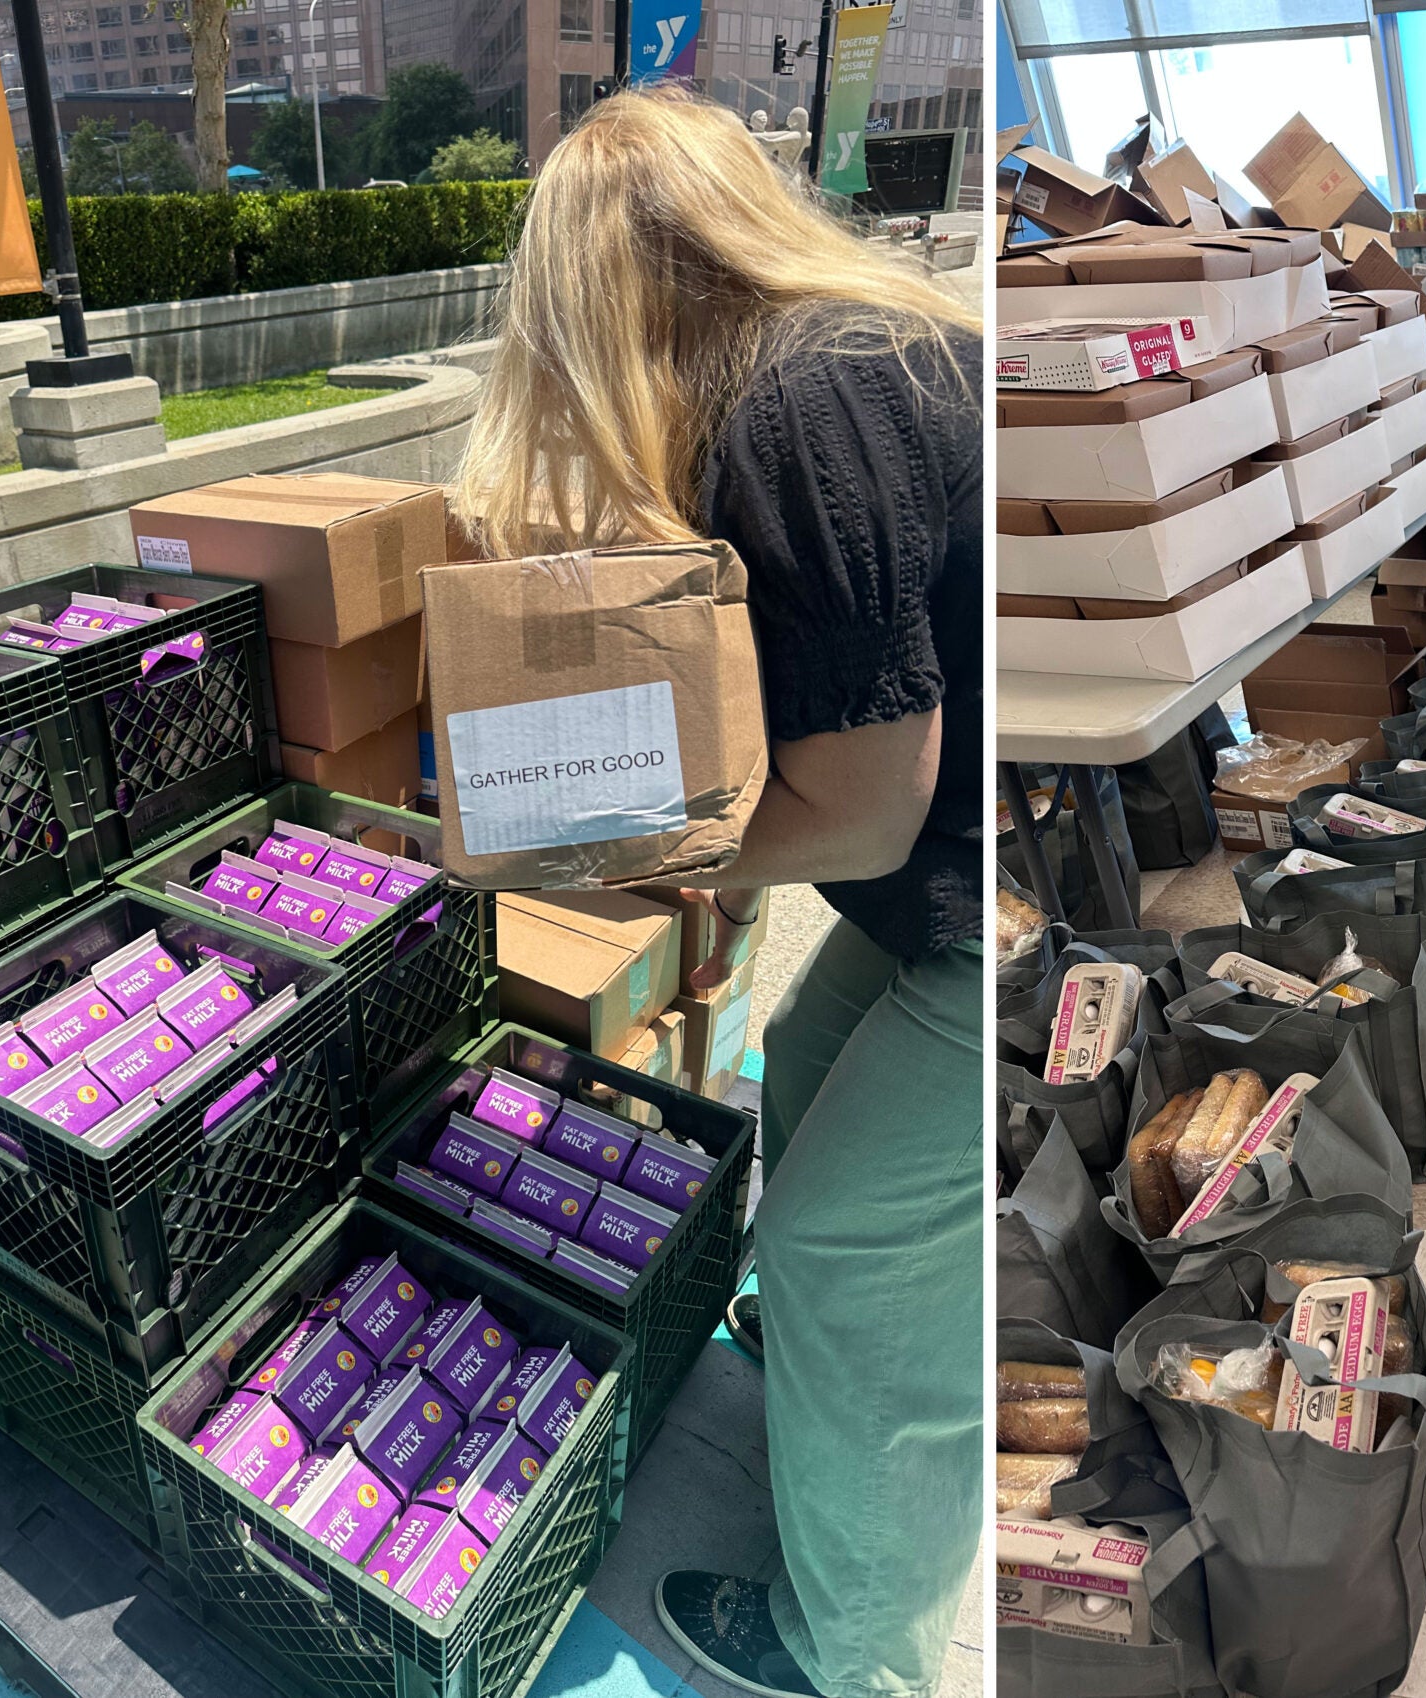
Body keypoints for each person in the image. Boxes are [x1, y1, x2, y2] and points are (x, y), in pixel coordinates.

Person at [451, 85, 982, 1698]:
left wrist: (656, 851)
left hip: (985, 915)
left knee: (835, 1252)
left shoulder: (799, 410)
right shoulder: (844, 353)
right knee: (805, 1084)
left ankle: (854, 1653)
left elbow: (868, 814)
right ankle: (851, 1385)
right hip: (970, 889)